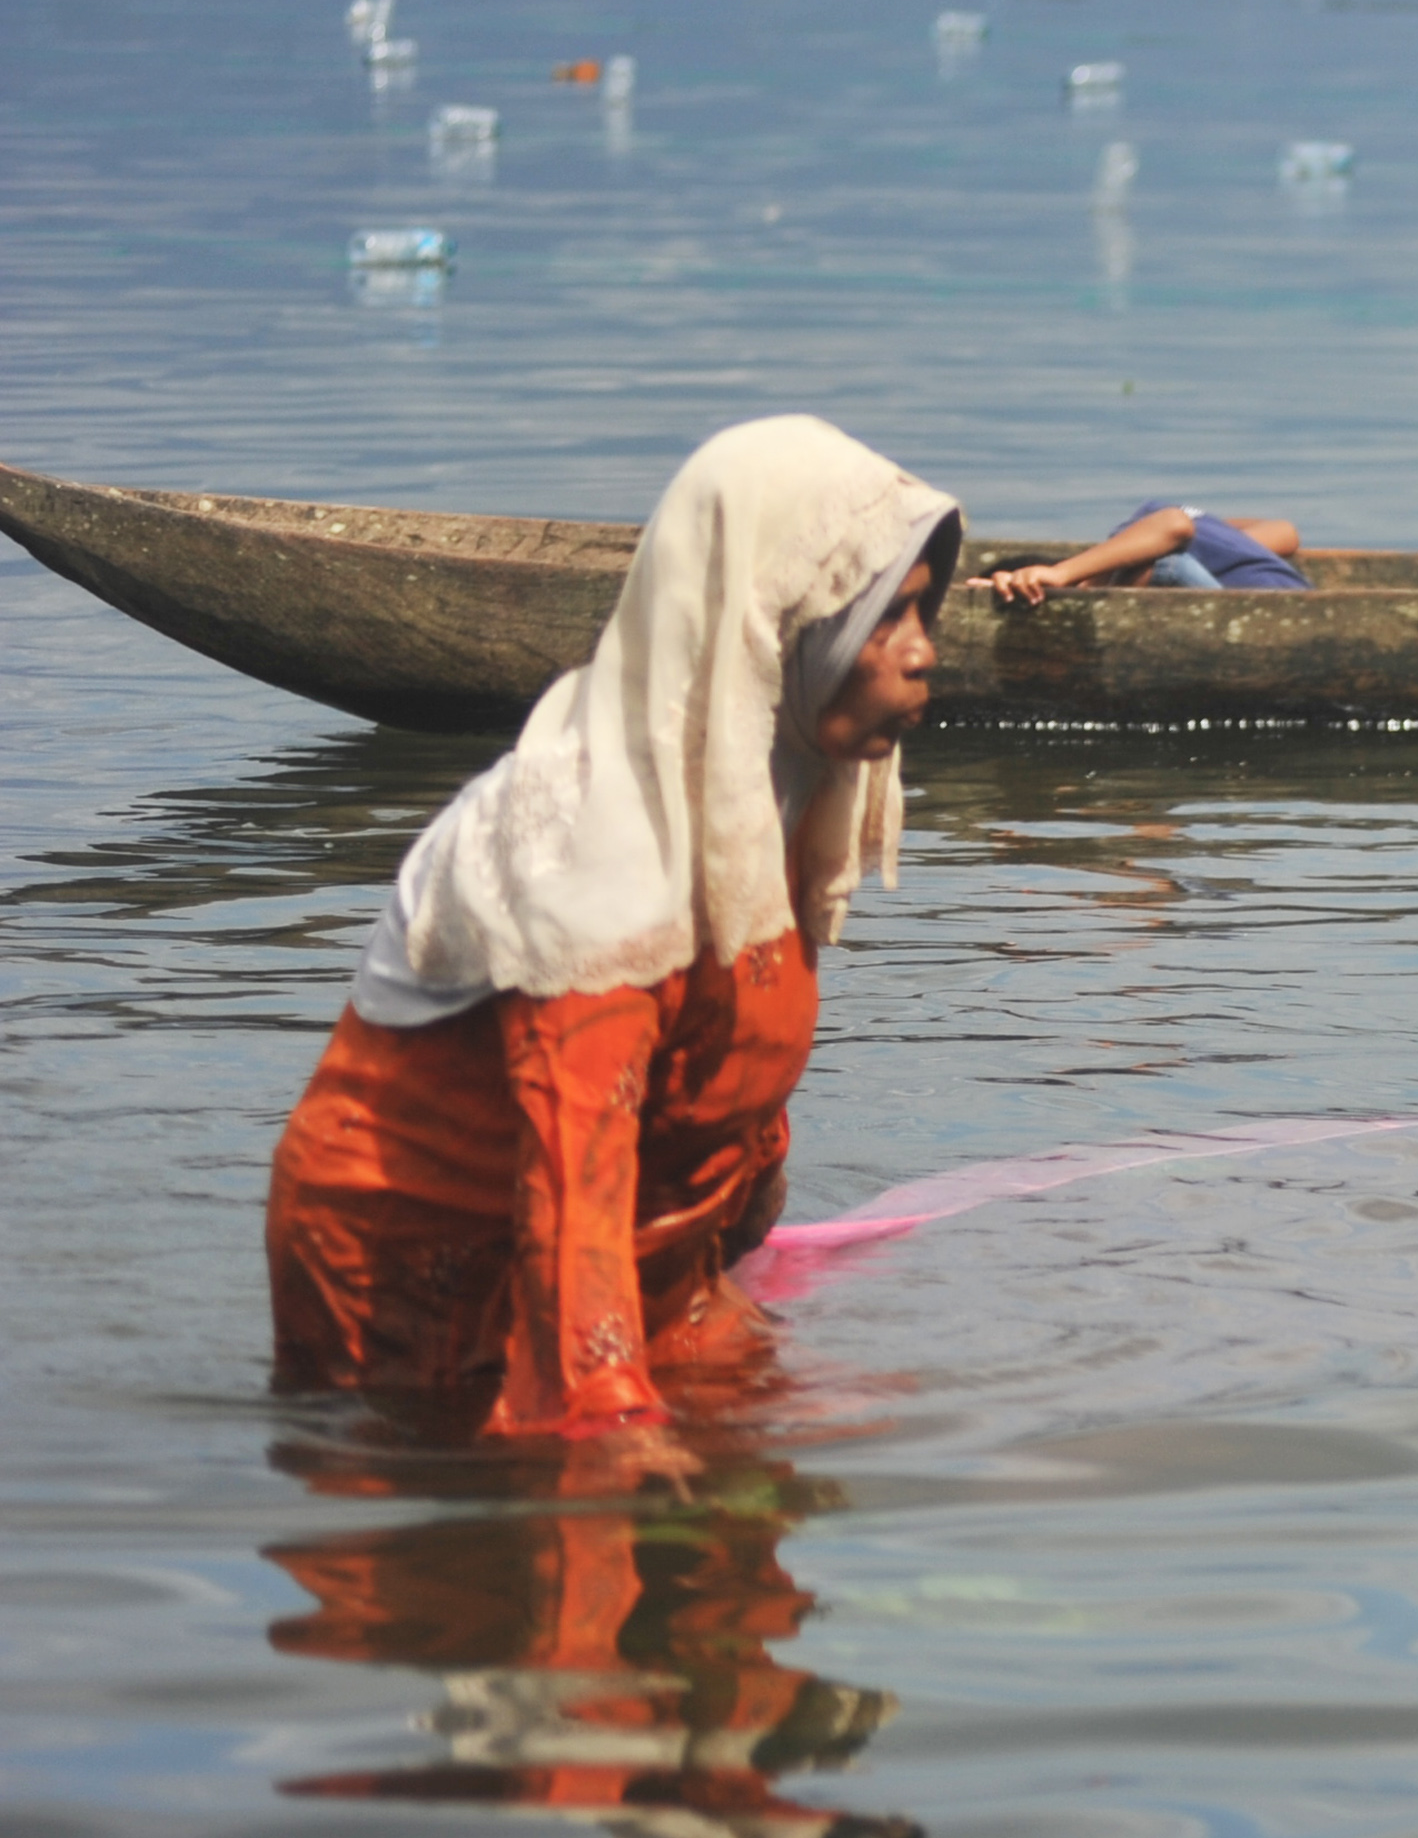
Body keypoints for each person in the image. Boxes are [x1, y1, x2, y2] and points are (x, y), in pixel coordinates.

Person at [265, 417, 966, 1441]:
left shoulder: (761, 795)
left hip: (640, 1249)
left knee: (755, 1522)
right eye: (884, 618)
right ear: (774, 622)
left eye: (923, 614)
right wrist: (603, 1412)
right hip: (426, 1265)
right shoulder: (594, 840)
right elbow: (571, 1164)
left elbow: (725, 1050)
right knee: (520, 1549)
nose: (922, 655)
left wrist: (747, 1210)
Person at [975, 499, 1308, 602]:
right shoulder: (1208, 532)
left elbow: (1175, 525)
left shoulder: (1138, 528)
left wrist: (1062, 574)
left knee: (1161, 569)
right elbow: (1286, 533)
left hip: (1263, 621)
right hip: (1301, 601)